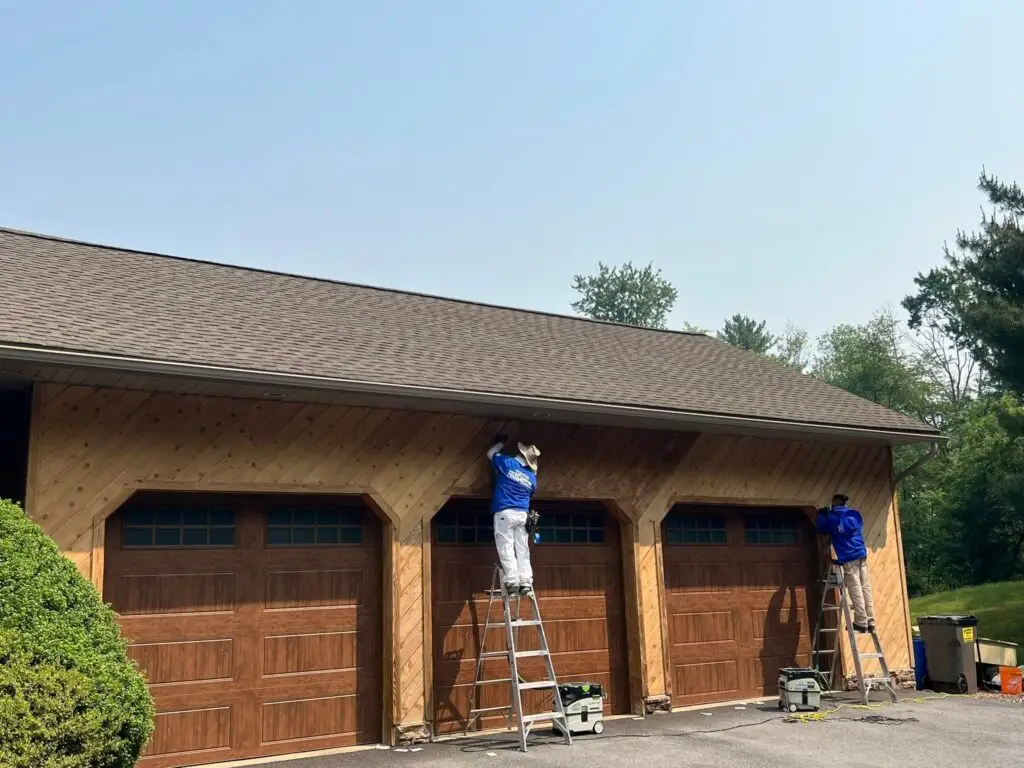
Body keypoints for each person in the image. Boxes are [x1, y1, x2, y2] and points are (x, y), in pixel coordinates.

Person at [486, 434, 541, 596]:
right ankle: (525, 581)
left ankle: (512, 581)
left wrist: (500, 443)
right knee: (522, 548)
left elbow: (490, 454)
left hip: (505, 511)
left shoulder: (507, 462)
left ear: (520, 453)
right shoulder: (532, 477)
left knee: (506, 546)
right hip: (522, 514)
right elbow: (529, 495)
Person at [816, 493, 875, 632]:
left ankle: (861, 621)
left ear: (834, 503)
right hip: (861, 553)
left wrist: (821, 515)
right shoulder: (851, 516)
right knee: (865, 586)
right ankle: (870, 621)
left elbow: (821, 528)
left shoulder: (832, 518)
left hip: (849, 557)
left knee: (855, 588)